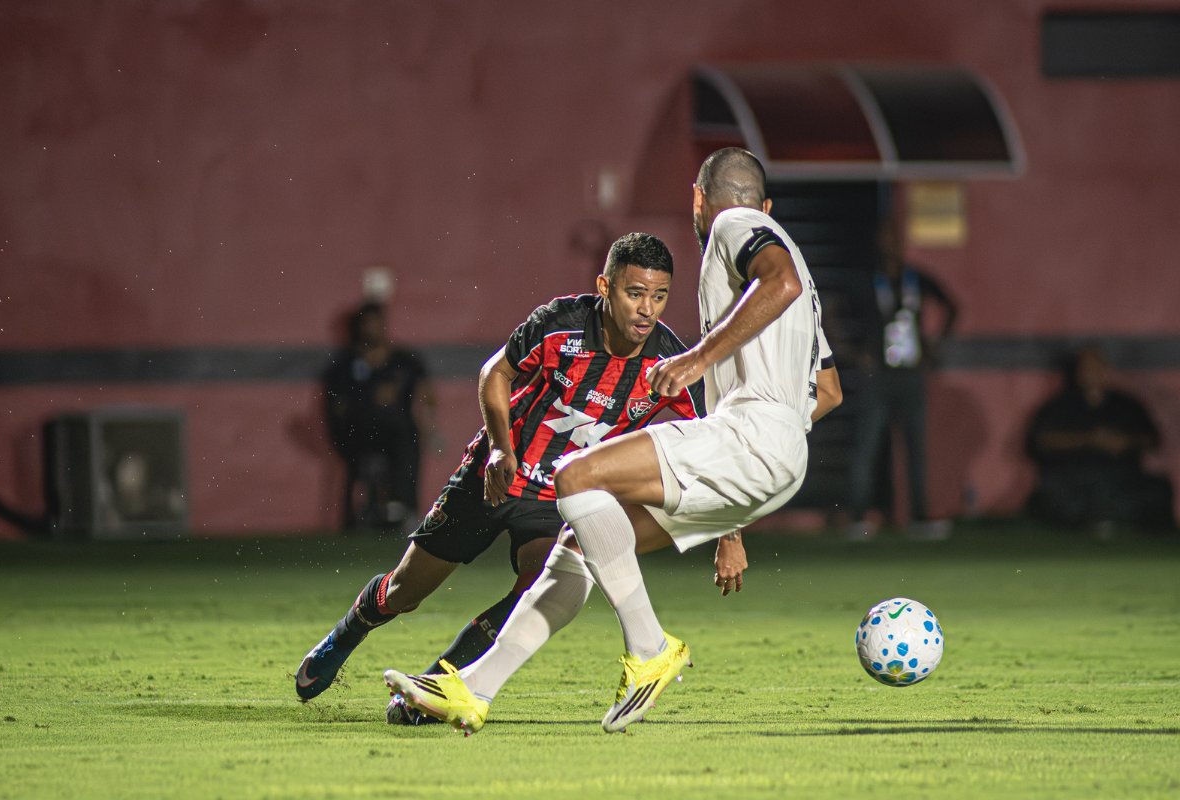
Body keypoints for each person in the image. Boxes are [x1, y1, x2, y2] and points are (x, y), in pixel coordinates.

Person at [384, 147, 842, 735]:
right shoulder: (804, 282)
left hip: (751, 433)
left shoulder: (736, 224)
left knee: (575, 476)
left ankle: (650, 647)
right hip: (778, 454)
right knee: (576, 545)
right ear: (769, 203)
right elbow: (827, 390)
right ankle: (473, 689)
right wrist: (777, 438)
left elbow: (777, 281)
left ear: (699, 199)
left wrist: (699, 360)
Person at [296, 232, 747, 724]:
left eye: (659, 296)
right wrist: (498, 448)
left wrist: (730, 535)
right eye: (634, 293)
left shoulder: (667, 364)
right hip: (496, 474)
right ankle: (349, 631)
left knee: (539, 586)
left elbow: (707, 448)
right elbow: (496, 373)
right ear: (605, 287)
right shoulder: (560, 324)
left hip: (558, 499)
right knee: (407, 590)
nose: (647, 309)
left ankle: (439, 685)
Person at [846, 216, 957, 540]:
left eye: (895, 238)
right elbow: (833, 313)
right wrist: (854, 352)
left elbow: (951, 306)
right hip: (878, 375)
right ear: (877, 244)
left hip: (911, 372)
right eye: (885, 238)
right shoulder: (866, 280)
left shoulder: (915, 279)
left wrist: (935, 343)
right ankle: (858, 518)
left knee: (916, 448)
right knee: (867, 447)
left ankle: (919, 518)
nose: (891, 245)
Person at [1025, 345, 1174, 534]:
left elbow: (1152, 440)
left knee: (1156, 491)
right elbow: (1040, 441)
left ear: (1105, 370)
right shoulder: (1059, 406)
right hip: (1073, 480)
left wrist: (1126, 441)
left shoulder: (1127, 405)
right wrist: (1087, 439)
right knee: (1050, 499)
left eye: (1096, 367)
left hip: (1121, 479)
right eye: (1086, 367)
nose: (1091, 373)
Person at [323, 301, 436, 530]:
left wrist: (430, 425)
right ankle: (366, 512)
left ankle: (404, 507)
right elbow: (338, 407)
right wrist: (370, 400)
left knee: (407, 434)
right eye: (367, 324)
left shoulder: (404, 361)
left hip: (399, 434)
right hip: (360, 434)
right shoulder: (345, 365)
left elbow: (427, 395)